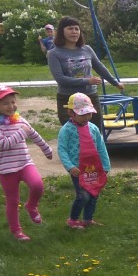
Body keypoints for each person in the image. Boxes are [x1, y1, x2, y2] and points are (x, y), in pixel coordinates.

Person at [0, 84, 53, 241]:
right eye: (5, 103)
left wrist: (46, 149)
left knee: (37, 185)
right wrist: (21, 132)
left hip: (24, 163)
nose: (11, 106)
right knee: (12, 200)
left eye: (13, 102)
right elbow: (4, 144)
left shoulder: (20, 120)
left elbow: (34, 134)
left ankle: (31, 206)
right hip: (6, 169)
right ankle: (16, 231)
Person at [48, 16, 123, 129]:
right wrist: (87, 81)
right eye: (70, 28)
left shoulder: (87, 49)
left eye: (77, 29)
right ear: (61, 31)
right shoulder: (54, 53)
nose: (74, 32)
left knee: (95, 130)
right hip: (68, 98)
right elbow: (60, 78)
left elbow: (100, 67)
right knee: (72, 132)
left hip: (90, 96)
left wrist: (115, 82)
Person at [57, 92, 111, 230]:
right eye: (83, 114)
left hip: (94, 168)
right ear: (71, 113)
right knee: (83, 196)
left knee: (93, 194)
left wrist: (105, 165)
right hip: (78, 170)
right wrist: (70, 167)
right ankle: (73, 220)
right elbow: (62, 149)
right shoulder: (66, 130)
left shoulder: (93, 128)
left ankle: (88, 219)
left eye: (89, 113)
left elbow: (101, 147)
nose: (87, 117)